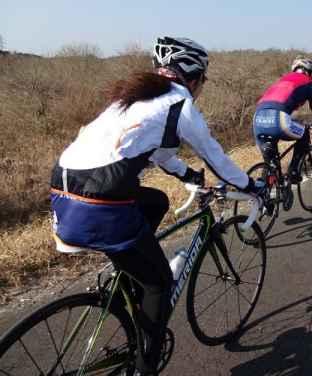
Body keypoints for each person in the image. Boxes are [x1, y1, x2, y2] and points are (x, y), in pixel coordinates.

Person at [49, 36, 263, 376]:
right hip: (100, 200)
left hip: (63, 187)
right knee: (159, 283)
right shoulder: (179, 102)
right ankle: (144, 370)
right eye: (204, 81)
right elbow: (216, 156)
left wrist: (188, 174)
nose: (202, 87)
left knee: (156, 201)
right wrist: (252, 186)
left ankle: (131, 279)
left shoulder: (135, 99)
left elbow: (156, 151)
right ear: (193, 77)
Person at [253, 55, 312, 183]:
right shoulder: (307, 83)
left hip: (258, 119)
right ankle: (293, 171)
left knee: (270, 163)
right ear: (310, 73)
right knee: (304, 134)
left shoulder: (282, 80)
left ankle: (265, 196)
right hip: (279, 119)